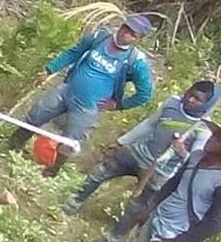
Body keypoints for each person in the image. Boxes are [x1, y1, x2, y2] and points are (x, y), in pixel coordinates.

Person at [11, 14, 154, 173]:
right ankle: (12, 146)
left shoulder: (136, 62)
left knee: (69, 141)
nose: (126, 34)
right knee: (36, 114)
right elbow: (73, 53)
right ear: (121, 26)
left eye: (132, 34)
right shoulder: (100, 37)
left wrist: (118, 105)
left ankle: (51, 171)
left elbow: (145, 93)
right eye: (126, 28)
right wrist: (49, 70)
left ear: (137, 39)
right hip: (66, 90)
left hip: (87, 107)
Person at [65, 77, 218, 220]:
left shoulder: (203, 127)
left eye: (197, 99)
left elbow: (194, 160)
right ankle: (73, 202)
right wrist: (121, 142)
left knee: (136, 207)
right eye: (190, 94)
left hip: (161, 171)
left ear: (206, 105)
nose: (190, 99)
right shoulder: (172, 103)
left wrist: (182, 152)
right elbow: (149, 124)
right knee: (98, 173)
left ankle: (112, 237)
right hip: (139, 153)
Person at [112, 119, 221, 242]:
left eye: (217, 140)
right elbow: (172, 184)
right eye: (213, 136)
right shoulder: (196, 156)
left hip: (173, 233)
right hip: (158, 217)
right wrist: (149, 207)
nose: (210, 140)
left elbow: (215, 223)